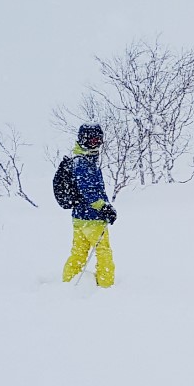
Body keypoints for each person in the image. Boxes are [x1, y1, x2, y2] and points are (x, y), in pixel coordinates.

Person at [61, 123, 118, 288]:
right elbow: (88, 190)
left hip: (79, 219)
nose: (96, 144)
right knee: (103, 253)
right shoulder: (83, 163)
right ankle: (107, 287)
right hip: (93, 219)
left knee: (78, 254)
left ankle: (67, 282)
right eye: (92, 140)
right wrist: (104, 207)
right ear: (83, 140)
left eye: (99, 140)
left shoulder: (79, 159)